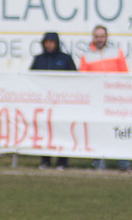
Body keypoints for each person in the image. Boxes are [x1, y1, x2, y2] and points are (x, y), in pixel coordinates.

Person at [75, 25, 131, 171]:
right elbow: (84, 79)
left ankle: (124, 163)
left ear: (106, 37)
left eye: (102, 36)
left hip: (115, 100)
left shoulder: (116, 52)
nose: (100, 39)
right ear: (93, 38)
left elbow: (124, 75)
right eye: (97, 36)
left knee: (119, 130)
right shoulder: (86, 55)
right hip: (96, 100)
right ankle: (99, 162)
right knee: (97, 130)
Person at [28, 31, 76, 169]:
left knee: (62, 131)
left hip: (62, 103)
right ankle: (45, 160)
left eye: (51, 42)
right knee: (44, 131)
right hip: (44, 103)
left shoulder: (65, 59)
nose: (49, 45)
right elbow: (31, 79)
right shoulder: (39, 59)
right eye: (46, 42)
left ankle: (62, 161)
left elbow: (75, 79)